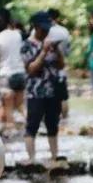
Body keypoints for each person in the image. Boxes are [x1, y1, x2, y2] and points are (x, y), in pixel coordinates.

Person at [21, 11, 65, 166]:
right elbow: (31, 69)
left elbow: (61, 65)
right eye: (43, 28)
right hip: (35, 91)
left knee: (53, 124)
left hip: (53, 91)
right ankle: (31, 159)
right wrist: (44, 51)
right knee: (32, 125)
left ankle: (54, 156)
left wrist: (57, 50)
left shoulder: (50, 43)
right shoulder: (26, 45)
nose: (46, 31)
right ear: (36, 27)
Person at [0, 12, 26, 135]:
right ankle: (22, 129)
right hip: (20, 73)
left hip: (5, 74)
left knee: (7, 107)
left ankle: (8, 132)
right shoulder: (17, 34)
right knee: (19, 106)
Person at [45, 8, 71, 118]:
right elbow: (68, 51)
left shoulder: (42, 30)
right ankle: (65, 120)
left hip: (45, 70)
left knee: (45, 98)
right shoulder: (64, 31)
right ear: (57, 18)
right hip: (60, 69)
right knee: (63, 97)